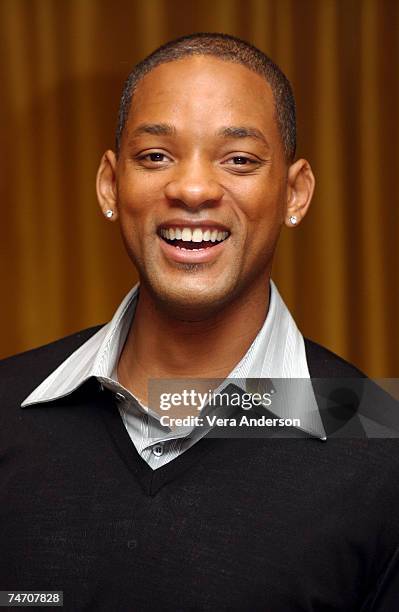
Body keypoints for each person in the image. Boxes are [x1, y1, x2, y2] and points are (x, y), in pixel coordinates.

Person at [1, 33, 398, 611]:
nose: (191, 189)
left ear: (295, 193)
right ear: (111, 185)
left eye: (239, 159)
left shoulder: (380, 442)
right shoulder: (8, 408)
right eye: (156, 156)